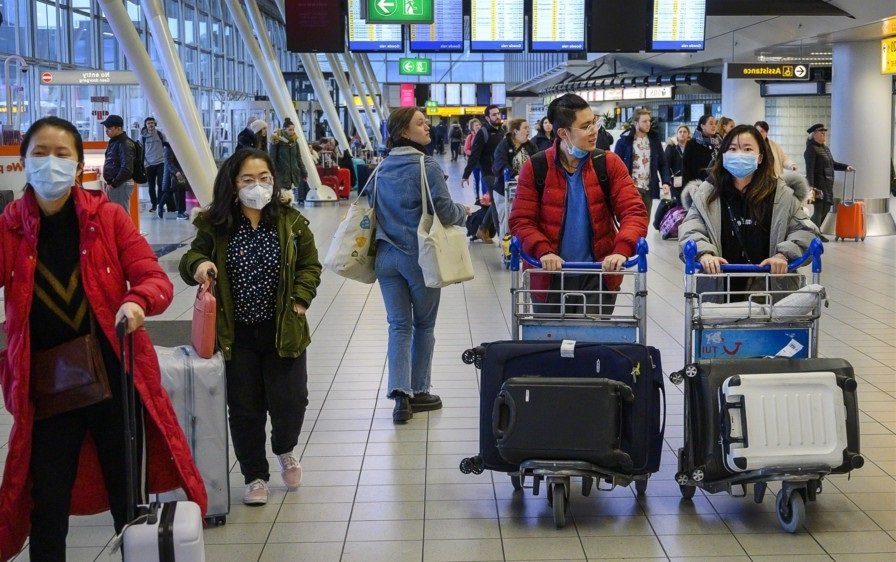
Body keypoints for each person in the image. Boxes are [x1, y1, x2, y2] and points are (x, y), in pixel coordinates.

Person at [0, 117, 206, 560]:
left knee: (126, 496)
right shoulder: (10, 228)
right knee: (46, 500)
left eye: (61, 155)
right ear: (23, 164)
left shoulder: (107, 218)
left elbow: (154, 278)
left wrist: (136, 301)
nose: (49, 164)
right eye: (39, 154)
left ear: (78, 168)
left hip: (115, 381)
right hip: (47, 389)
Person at [179, 148, 322, 506]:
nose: (257, 186)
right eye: (247, 179)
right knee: (245, 409)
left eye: (264, 179)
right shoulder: (215, 224)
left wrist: (300, 300)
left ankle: (285, 448)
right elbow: (189, 259)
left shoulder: (291, 222)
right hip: (235, 334)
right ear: (232, 184)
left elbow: (310, 265)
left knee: (291, 401)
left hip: (283, 329)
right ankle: (254, 474)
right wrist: (199, 266)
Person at [370, 107, 470, 424]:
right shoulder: (424, 165)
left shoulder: (381, 167)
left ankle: (401, 398)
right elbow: (445, 211)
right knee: (423, 326)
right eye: (420, 123)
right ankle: (419, 390)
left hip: (386, 257)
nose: (427, 126)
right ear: (403, 132)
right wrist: (465, 210)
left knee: (398, 325)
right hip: (419, 257)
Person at [509, 93, 648, 316]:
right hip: (548, 276)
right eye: (585, 126)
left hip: (598, 276)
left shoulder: (608, 164)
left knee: (591, 346)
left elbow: (634, 212)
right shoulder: (536, 167)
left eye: (594, 122)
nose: (595, 131)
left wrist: (622, 250)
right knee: (550, 345)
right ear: (563, 133)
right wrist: (543, 251)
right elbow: (521, 220)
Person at [679, 124, 820, 299]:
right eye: (732, 149)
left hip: (771, 295)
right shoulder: (707, 195)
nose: (739, 155)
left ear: (760, 157)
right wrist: (704, 253)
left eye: (747, 149)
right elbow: (690, 230)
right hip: (718, 293)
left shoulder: (781, 195)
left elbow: (805, 231)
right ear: (723, 155)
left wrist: (784, 255)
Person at [614, 108, 671, 217]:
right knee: (630, 221)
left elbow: (663, 163)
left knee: (645, 221)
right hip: (630, 189)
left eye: (649, 121)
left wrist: (666, 182)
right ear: (636, 123)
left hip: (648, 189)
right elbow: (616, 167)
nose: (648, 124)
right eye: (644, 121)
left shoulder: (654, 141)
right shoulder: (624, 142)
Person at [462, 105, 504, 237]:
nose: (497, 116)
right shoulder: (483, 132)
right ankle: (501, 238)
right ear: (487, 117)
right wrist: (466, 174)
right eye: (493, 114)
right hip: (488, 173)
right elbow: (474, 155)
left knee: (497, 202)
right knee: (496, 202)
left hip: (500, 173)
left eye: (498, 113)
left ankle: (483, 228)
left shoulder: (502, 131)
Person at [493, 118, 538, 239]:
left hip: (525, 191)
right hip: (505, 190)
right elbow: (500, 163)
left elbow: (537, 162)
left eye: (528, 128)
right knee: (506, 221)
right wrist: (514, 175)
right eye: (525, 128)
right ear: (515, 131)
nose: (528, 131)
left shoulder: (530, 146)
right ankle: (506, 250)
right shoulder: (504, 145)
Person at [804, 123, 855, 229]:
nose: (824, 134)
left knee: (826, 209)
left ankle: (811, 230)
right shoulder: (810, 149)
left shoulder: (826, 148)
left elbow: (833, 164)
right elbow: (809, 170)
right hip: (817, 185)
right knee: (818, 209)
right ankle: (815, 234)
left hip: (827, 185)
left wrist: (845, 167)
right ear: (814, 135)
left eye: (824, 133)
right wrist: (810, 187)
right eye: (821, 132)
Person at [100, 114, 136, 211]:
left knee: (122, 215)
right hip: (117, 184)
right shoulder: (115, 141)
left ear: (118, 128)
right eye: (106, 128)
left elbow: (127, 167)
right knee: (116, 215)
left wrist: (115, 183)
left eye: (109, 128)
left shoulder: (124, 143)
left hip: (121, 185)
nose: (106, 130)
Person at [270, 118, 309, 205]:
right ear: (284, 129)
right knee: (282, 196)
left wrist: (304, 172)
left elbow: (298, 158)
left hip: (292, 173)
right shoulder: (276, 141)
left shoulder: (295, 142)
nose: (292, 132)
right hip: (281, 173)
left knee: (288, 195)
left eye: (293, 129)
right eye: (290, 130)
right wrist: (271, 173)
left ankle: (288, 210)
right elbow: (272, 158)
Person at [683, 114, 721, 186]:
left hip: (717, 185)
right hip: (698, 185)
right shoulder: (692, 144)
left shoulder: (719, 143)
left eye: (715, 124)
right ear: (702, 126)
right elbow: (686, 169)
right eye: (711, 123)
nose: (714, 126)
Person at [140, 116, 167, 213]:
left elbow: (166, 146)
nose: (150, 125)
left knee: (160, 184)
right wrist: (144, 163)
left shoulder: (160, 134)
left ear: (154, 124)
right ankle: (154, 205)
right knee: (151, 186)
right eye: (148, 123)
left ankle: (160, 204)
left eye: (152, 123)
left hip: (160, 162)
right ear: (146, 125)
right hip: (149, 164)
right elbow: (140, 150)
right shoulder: (142, 137)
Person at [157, 141, 189, 219]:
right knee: (171, 192)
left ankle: (180, 212)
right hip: (172, 175)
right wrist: (176, 172)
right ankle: (180, 213)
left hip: (177, 173)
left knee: (177, 192)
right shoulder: (169, 148)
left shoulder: (179, 146)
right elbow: (169, 162)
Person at [665, 124, 690, 196]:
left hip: (689, 180)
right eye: (680, 132)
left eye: (685, 132)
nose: (682, 134)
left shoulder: (692, 147)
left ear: (688, 134)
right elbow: (666, 164)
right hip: (676, 179)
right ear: (677, 134)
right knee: (677, 203)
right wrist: (668, 179)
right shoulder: (671, 147)